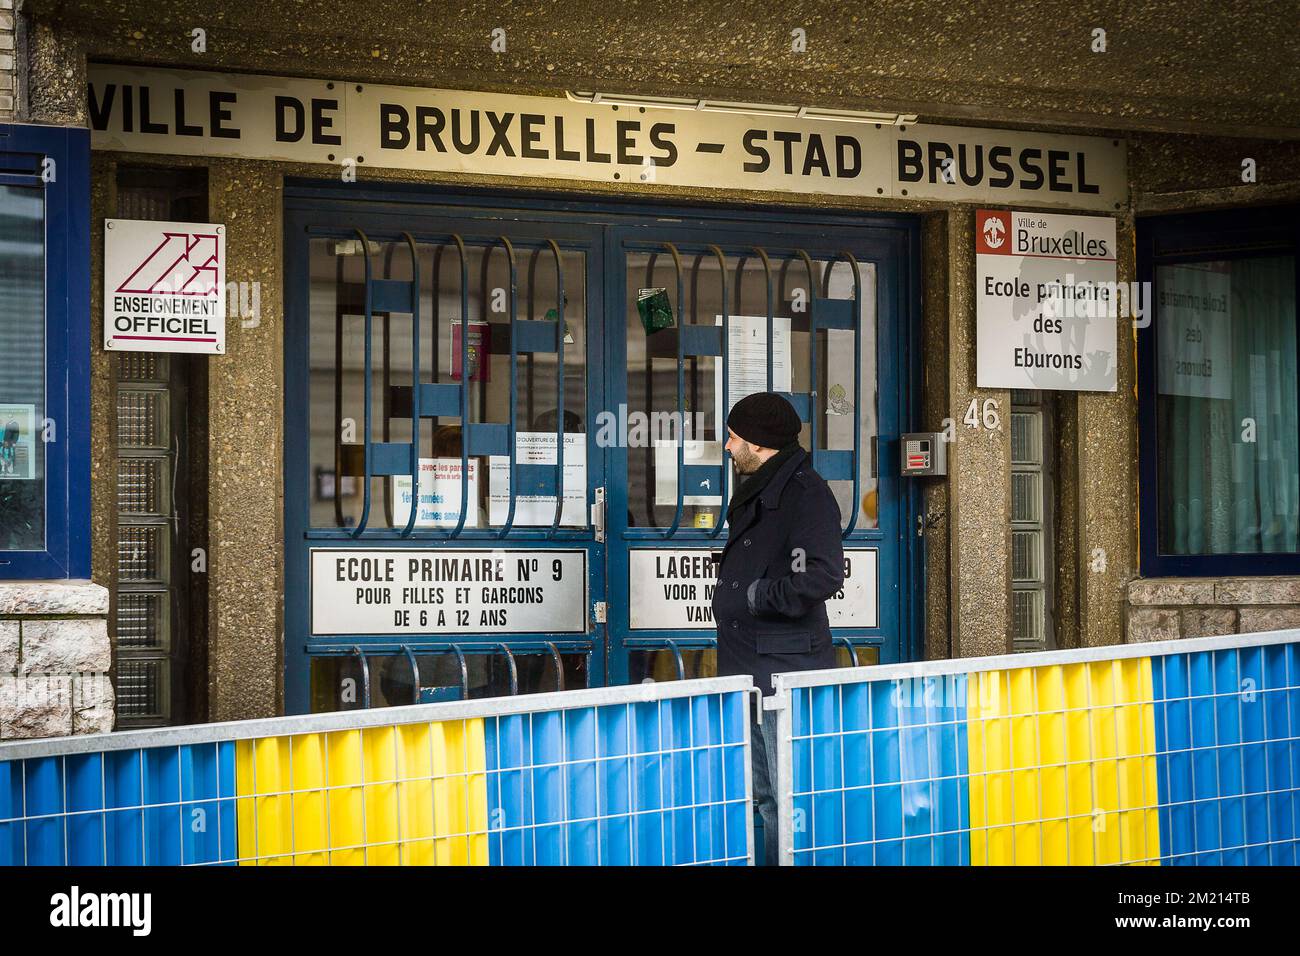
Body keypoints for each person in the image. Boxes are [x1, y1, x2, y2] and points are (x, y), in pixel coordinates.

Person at [711, 392, 844, 865]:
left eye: (733, 437)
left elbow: (821, 575)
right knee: (763, 796)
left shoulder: (805, 494)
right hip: (752, 666)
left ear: (760, 444)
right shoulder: (766, 485)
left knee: (785, 799)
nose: (727, 447)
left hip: (783, 671)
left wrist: (755, 594)